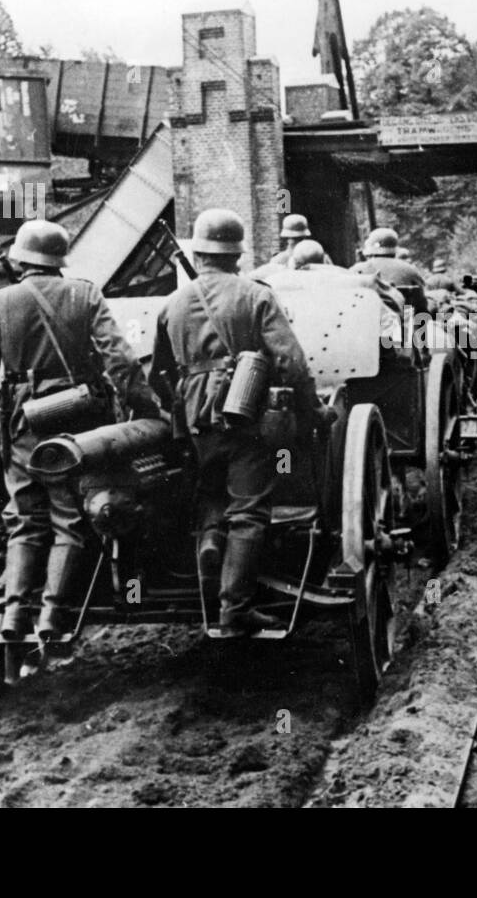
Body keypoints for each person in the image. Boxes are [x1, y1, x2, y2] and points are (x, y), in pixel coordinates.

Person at [0, 219, 160, 642]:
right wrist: (147, 408)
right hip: (78, 417)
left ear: (20, 262)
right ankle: (53, 615)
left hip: (22, 418)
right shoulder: (84, 293)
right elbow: (120, 361)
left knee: (24, 518)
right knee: (69, 516)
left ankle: (15, 617)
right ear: (58, 262)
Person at [150, 209, 332, 636]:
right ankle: (235, 609)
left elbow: (158, 372)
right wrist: (312, 412)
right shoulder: (256, 295)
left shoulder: (172, 304)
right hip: (246, 416)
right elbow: (290, 361)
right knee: (249, 509)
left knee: (210, 490)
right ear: (235, 255)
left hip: (195, 419)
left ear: (199, 252)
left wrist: (176, 408)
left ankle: (212, 544)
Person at [351, 227, 429, 316]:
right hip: (403, 324)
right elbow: (421, 304)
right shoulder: (410, 270)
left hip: (367, 322)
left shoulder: (356, 270)